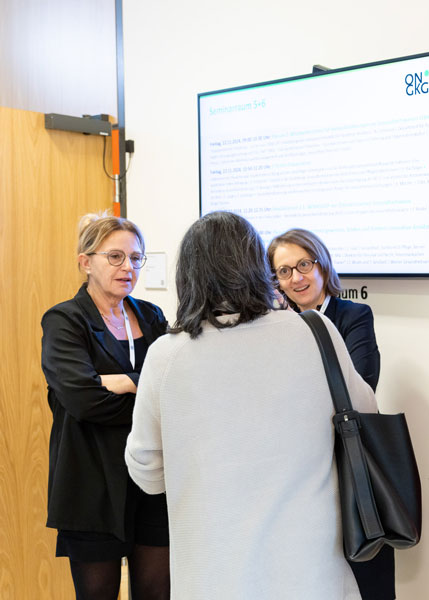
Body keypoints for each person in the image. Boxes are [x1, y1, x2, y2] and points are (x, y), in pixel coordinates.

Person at [125, 211, 377, 599]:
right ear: (258, 266)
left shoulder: (167, 356)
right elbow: (366, 414)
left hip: (214, 573)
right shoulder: (314, 331)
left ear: (188, 276)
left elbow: (146, 470)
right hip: (310, 572)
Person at [40, 213, 169, 600]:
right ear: (85, 262)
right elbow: (82, 400)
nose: (127, 267)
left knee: (158, 593)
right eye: (115, 257)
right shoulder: (65, 320)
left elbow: (174, 388)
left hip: (151, 481)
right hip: (90, 482)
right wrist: (142, 387)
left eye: (135, 258)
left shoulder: (152, 316)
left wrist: (121, 384)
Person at [267, 228, 393, 599]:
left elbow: (361, 384)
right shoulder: (272, 326)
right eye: (284, 271)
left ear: (322, 265)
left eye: (303, 265)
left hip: (350, 465)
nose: (296, 278)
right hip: (298, 471)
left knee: (366, 573)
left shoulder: (353, 315)